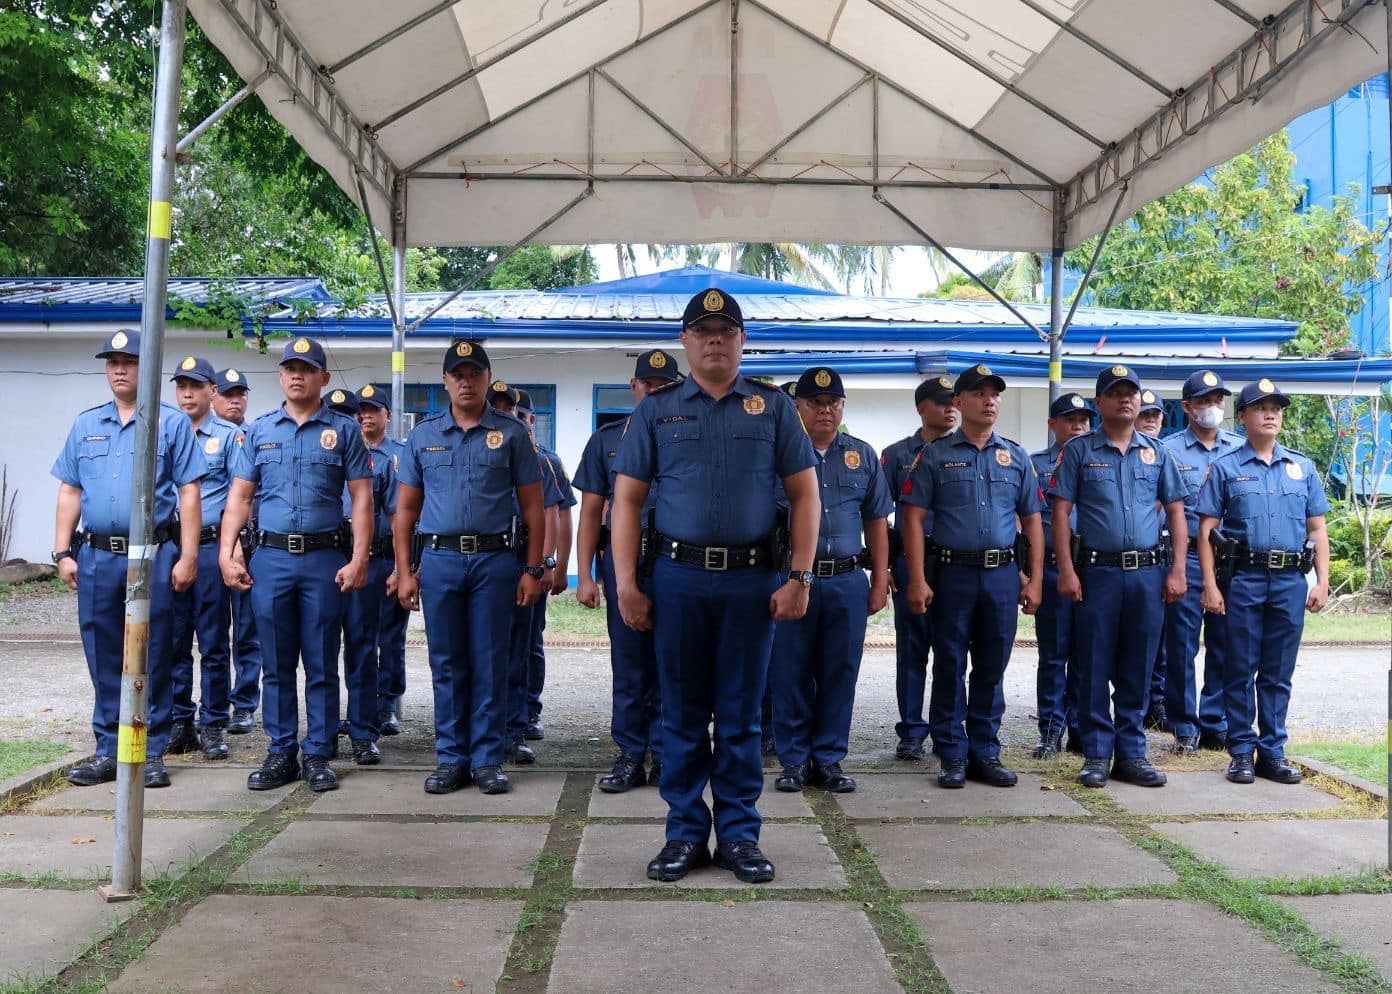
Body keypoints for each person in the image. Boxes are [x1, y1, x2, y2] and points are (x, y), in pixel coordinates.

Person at [612, 287, 819, 885]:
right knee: (678, 712)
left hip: (753, 583)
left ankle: (738, 835)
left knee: (741, 714)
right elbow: (625, 501)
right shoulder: (657, 410)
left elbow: (806, 494)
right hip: (676, 581)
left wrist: (799, 576)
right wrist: (627, 582)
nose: (715, 340)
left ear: (741, 341)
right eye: (703, 331)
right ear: (685, 341)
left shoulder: (774, 408)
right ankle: (683, 834)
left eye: (726, 331)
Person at [220, 337, 374, 793]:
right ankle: (282, 751)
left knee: (323, 660)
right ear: (280, 375)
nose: (295, 375)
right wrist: (227, 551)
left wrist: (360, 557)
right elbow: (240, 496)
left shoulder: (344, 431)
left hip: (324, 560)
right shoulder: (261, 430)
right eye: (289, 367)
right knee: (276, 660)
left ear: (323, 378)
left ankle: (320, 753)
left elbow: (363, 497)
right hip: (270, 561)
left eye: (306, 368)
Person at [393, 342, 545, 796]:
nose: (465, 380)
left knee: (491, 660)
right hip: (438, 561)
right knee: (447, 661)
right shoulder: (423, 436)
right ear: (445, 381)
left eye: (473, 372)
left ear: (486, 376)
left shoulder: (513, 434)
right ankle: (451, 758)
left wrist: (533, 568)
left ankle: (486, 759)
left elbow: (534, 508)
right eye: (456, 374)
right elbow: (404, 512)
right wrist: (405, 571)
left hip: (495, 561)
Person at [54, 329, 204, 789]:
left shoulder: (171, 424)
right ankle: (107, 748)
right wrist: (62, 551)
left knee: (154, 652)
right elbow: (70, 491)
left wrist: (190, 556)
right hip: (97, 555)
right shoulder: (85, 424)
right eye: (112, 361)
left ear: (147, 366)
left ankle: (150, 749)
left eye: (129, 360)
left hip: (153, 556)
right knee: (102, 653)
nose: (119, 368)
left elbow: (189, 491)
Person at [902, 365, 1043, 788]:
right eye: (979, 394)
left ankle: (985, 750)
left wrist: (1033, 577)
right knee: (948, 662)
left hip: (1001, 574)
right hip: (952, 573)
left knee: (992, 665)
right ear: (958, 403)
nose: (989, 401)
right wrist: (916, 577)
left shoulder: (1016, 456)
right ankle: (951, 753)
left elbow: (1032, 519)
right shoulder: (936, 455)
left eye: (995, 394)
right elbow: (912, 518)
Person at [1049, 365, 1187, 789]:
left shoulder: (1157, 452)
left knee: (1139, 663)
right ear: (1099, 402)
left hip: (1148, 573)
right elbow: (1059, 513)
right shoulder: (1078, 451)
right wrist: (1067, 570)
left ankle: (1132, 753)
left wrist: (1178, 569)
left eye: (1132, 392)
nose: (1126, 399)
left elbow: (1177, 512)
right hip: (1098, 573)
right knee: (1093, 662)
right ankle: (1095, 753)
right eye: (1116, 393)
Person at [1197, 379, 1329, 785]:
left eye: (1276, 408)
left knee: (1277, 670)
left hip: (1290, 580)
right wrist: (1210, 585)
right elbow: (1206, 530)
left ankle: (1272, 751)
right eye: (1260, 407)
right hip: (1244, 579)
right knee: (1239, 666)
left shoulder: (1301, 467)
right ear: (1243, 416)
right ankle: (1240, 750)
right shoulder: (1226, 468)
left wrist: (1322, 582)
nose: (1271, 414)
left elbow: (1317, 529)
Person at [770, 366, 891, 795]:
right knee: (790, 671)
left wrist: (880, 579)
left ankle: (829, 758)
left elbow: (877, 520)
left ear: (842, 407)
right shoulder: (777, 455)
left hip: (846, 580)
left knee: (840, 670)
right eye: (815, 403)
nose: (825, 410)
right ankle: (794, 760)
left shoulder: (861, 455)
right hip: (791, 580)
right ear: (796, 406)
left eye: (833, 403)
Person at [573, 350, 681, 792]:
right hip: (625, 565)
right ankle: (631, 755)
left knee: (674, 664)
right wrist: (583, 575)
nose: (654, 391)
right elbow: (591, 511)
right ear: (634, 387)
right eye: (647, 384)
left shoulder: (689, 438)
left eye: (663, 385)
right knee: (631, 665)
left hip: (678, 565)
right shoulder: (607, 441)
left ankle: (670, 755)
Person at [1163, 371, 1244, 754]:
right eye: (1204, 401)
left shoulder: (1240, 448)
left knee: (1225, 643)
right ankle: (1184, 725)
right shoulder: (1168, 451)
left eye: (1218, 400)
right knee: (1181, 645)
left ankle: (1216, 721)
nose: (1212, 408)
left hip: (1232, 561)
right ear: (1186, 407)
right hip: (1189, 558)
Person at [879, 376, 958, 760]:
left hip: (956, 564)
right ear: (921, 408)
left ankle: (948, 729)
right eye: (942, 401)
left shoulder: (967, 450)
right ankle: (911, 731)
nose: (951, 408)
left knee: (952, 650)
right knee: (912, 651)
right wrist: (886, 567)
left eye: (954, 401)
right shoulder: (896, 456)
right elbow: (881, 515)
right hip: (910, 562)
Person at [168, 356, 241, 762]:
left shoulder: (229, 437)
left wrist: (234, 548)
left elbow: (239, 495)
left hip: (213, 546)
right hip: (171, 545)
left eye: (195, 386)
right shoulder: (163, 434)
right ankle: (180, 720)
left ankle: (213, 723)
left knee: (213, 641)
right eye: (181, 386)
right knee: (174, 639)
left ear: (212, 392)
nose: (187, 394)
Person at [487, 383, 563, 765]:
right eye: (495, 407)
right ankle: (480, 729)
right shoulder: (474, 446)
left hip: (520, 558)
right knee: (482, 652)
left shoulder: (533, 455)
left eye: (509, 409)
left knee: (519, 650)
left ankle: (515, 728)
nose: (503, 413)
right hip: (484, 560)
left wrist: (546, 564)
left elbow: (550, 512)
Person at [325, 388, 398, 766]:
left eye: (351, 415)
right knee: (320, 651)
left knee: (362, 648)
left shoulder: (378, 462)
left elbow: (395, 515)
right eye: (335, 414)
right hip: (322, 560)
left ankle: (362, 729)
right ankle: (323, 731)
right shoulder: (315, 455)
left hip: (363, 560)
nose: (347, 421)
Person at [1029, 392, 1095, 758]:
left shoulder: (1101, 460)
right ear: (1052, 425)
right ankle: (1051, 729)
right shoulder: (1035, 464)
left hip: (1093, 568)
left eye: (1084, 419)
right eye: (1070, 419)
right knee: (1054, 654)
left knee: (1088, 654)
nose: (1079, 426)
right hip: (1054, 567)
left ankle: (1082, 730)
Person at [354, 384, 410, 736]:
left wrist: (401, 568)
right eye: (362, 411)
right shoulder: (349, 451)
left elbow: (404, 515)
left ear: (387, 415)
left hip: (388, 558)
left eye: (374, 410)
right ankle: (359, 706)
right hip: (355, 559)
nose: (366, 416)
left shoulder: (400, 456)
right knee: (359, 636)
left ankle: (387, 703)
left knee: (390, 637)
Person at [213, 366, 261, 735]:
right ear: (214, 395)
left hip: (249, 546)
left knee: (248, 630)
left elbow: (251, 498)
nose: (235, 400)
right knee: (212, 631)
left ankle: (244, 703)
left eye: (240, 394)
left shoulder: (257, 436)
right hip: (206, 545)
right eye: (228, 394)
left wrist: (242, 544)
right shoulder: (193, 436)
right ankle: (208, 708)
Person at [1135, 388, 1170, 731]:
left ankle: (1156, 703)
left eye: (1154, 416)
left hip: (1164, 559)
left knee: (1160, 642)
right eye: (1144, 415)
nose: (1149, 421)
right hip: (1133, 559)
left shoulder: (1164, 454)